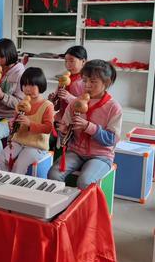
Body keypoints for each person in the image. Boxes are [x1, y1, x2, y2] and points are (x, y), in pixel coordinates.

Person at [48, 60, 122, 189]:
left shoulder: (114, 107)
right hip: (76, 152)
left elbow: (112, 139)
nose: (87, 85)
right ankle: (61, 208)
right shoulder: (74, 103)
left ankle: (85, 209)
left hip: (101, 156)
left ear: (107, 82)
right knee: (53, 174)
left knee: (85, 181)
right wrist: (64, 131)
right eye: (85, 80)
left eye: (93, 82)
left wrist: (88, 127)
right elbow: (65, 138)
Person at [0, 68, 54, 174]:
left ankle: (14, 189)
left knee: (19, 165)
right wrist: (12, 125)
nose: (27, 89)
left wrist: (29, 124)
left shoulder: (47, 106)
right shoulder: (21, 104)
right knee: (1, 159)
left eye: (32, 85)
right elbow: (15, 124)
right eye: (24, 85)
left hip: (36, 145)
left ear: (40, 86)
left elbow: (48, 128)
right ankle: (1, 183)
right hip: (18, 141)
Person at [0, 38, 25, 150]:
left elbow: (20, 104)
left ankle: (0, 163)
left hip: (10, 117)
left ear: (10, 54)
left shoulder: (20, 74)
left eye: (1, 57)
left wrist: (2, 96)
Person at [50, 45, 87, 124]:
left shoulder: (86, 81)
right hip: (61, 120)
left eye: (71, 61)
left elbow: (86, 106)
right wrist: (53, 100)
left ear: (83, 61)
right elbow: (57, 108)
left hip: (76, 122)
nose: (67, 65)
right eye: (66, 61)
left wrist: (68, 97)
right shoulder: (64, 78)